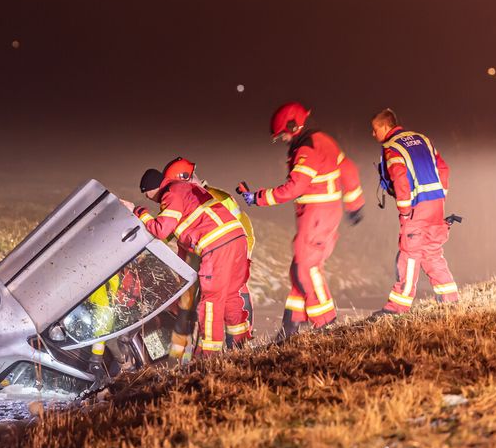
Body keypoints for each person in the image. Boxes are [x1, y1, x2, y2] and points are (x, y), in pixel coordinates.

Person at [238, 102, 365, 337]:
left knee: (307, 268)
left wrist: (258, 198)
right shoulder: (324, 140)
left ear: (293, 126)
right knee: (299, 268)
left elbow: (294, 188)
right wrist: (354, 204)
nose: (284, 140)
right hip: (325, 213)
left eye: (283, 135)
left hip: (316, 215)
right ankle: (291, 326)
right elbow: (348, 169)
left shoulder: (306, 149)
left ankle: (326, 322)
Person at [134, 166, 251, 356]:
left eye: (148, 195)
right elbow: (179, 237)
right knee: (230, 295)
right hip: (236, 239)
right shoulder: (184, 190)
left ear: (150, 189)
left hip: (216, 246)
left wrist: (140, 212)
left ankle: (208, 354)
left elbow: (161, 229)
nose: (150, 200)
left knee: (211, 300)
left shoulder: (171, 193)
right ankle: (241, 343)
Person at [372, 109, 458, 314]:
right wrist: (440, 195)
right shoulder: (423, 139)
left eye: (374, 130)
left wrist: (404, 211)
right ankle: (450, 300)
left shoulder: (392, 148)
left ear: (385, 126)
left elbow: (400, 181)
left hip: (415, 208)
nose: (373, 135)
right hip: (436, 204)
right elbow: (443, 169)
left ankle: (397, 308)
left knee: (409, 254)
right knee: (432, 252)